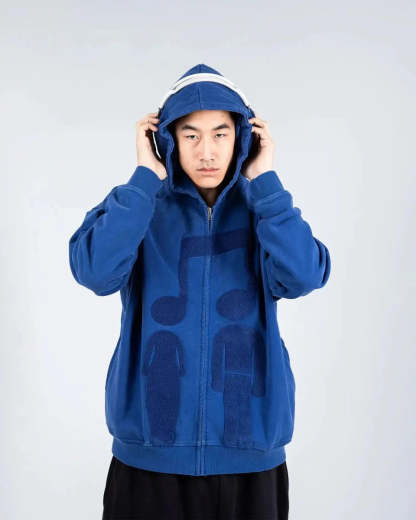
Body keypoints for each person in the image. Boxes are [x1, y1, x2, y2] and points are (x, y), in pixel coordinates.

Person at [68, 63, 331, 520]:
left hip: (249, 459)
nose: (206, 152)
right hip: (149, 458)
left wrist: (265, 182)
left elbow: (305, 275)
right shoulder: (138, 205)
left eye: (220, 135)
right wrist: (144, 178)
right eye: (190, 135)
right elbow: (94, 271)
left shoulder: (265, 210)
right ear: (167, 139)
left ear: (243, 138)